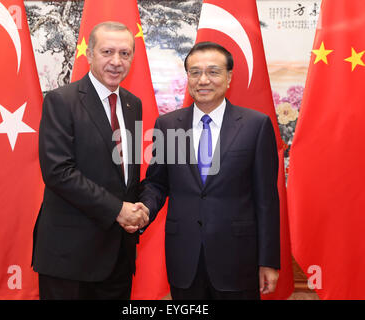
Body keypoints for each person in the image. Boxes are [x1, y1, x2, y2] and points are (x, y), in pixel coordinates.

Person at [139, 42, 280, 300]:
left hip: (238, 259)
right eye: (195, 72)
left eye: (213, 72)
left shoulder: (255, 125)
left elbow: (266, 200)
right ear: (188, 78)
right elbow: (157, 183)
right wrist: (143, 209)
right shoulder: (168, 124)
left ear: (229, 78)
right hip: (184, 258)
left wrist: (268, 260)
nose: (203, 80)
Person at [32, 22, 149, 300]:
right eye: (107, 51)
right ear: (90, 54)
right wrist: (118, 210)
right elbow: (59, 172)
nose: (116, 62)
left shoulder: (134, 104)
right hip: (70, 258)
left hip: (118, 255)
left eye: (125, 53)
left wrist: (138, 211)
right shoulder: (62, 101)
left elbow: (125, 175)